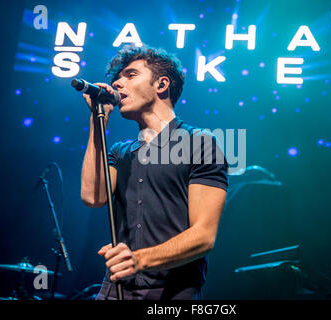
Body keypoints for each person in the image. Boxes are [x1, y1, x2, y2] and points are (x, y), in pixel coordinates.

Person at [80, 45, 228, 300]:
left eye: (130, 75)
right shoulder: (120, 152)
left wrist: (140, 259)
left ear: (161, 84)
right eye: (117, 78)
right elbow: (93, 198)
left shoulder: (200, 143)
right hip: (115, 290)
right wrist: (98, 120)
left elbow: (204, 236)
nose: (117, 83)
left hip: (171, 292)